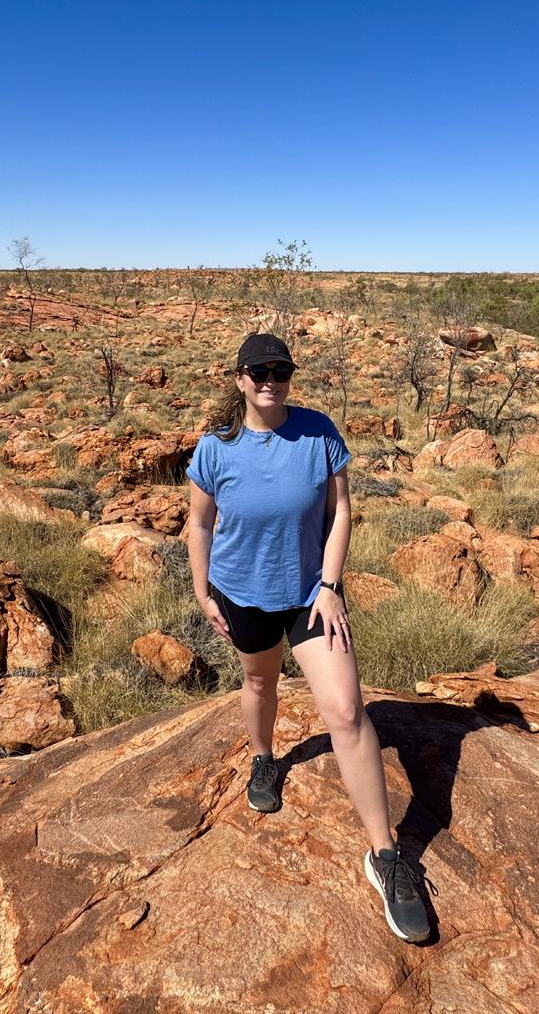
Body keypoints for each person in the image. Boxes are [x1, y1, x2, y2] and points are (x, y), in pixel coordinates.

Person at [186, 332, 431, 943]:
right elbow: (199, 523)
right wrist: (201, 590)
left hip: (310, 594)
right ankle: (264, 758)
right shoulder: (216, 448)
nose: (271, 381)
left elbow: (340, 511)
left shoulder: (318, 432)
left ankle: (385, 855)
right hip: (241, 592)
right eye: (259, 371)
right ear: (240, 379)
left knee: (346, 710)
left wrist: (330, 584)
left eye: (281, 371)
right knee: (259, 681)